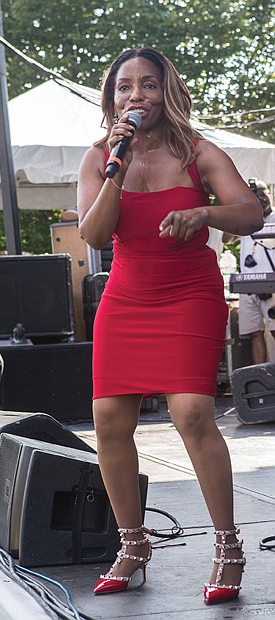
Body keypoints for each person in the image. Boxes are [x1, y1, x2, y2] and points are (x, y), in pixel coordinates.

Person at [77, 47, 262, 604]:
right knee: (108, 419)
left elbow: (251, 212)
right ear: (112, 97)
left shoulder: (199, 151)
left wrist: (205, 213)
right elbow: (93, 235)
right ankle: (133, 544)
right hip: (127, 296)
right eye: (125, 86)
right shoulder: (98, 158)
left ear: (167, 92)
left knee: (191, 412)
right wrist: (117, 165)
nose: (137, 95)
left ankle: (228, 546)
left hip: (188, 294)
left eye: (149, 85)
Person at [238, 180, 275, 364]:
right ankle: (261, 377)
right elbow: (227, 238)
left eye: (263, 194)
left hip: (271, 284)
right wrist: (241, 210)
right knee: (255, 333)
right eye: (256, 195)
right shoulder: (246, 219)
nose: (261, 198)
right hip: (248, 284)